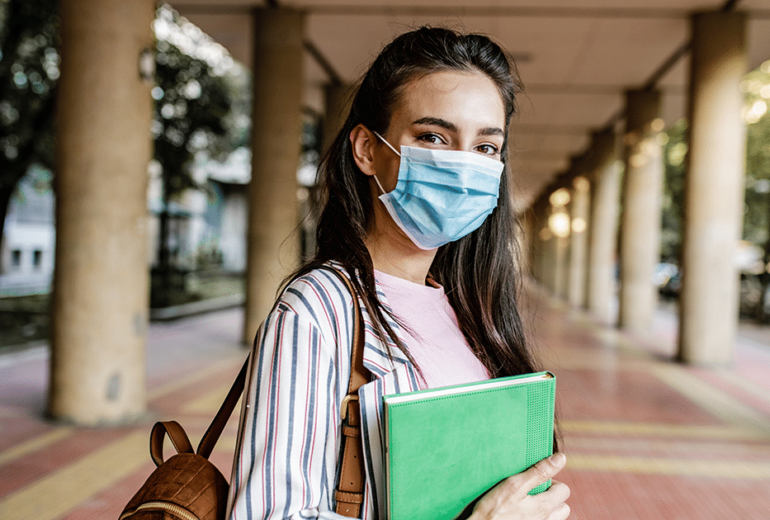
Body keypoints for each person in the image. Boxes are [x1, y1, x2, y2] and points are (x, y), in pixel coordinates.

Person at [226, 26, 570, 520]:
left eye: (485, 148)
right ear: (367, 149)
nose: (462, 167)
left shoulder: (467, 308)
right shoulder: (317, 310)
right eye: (433, 136)